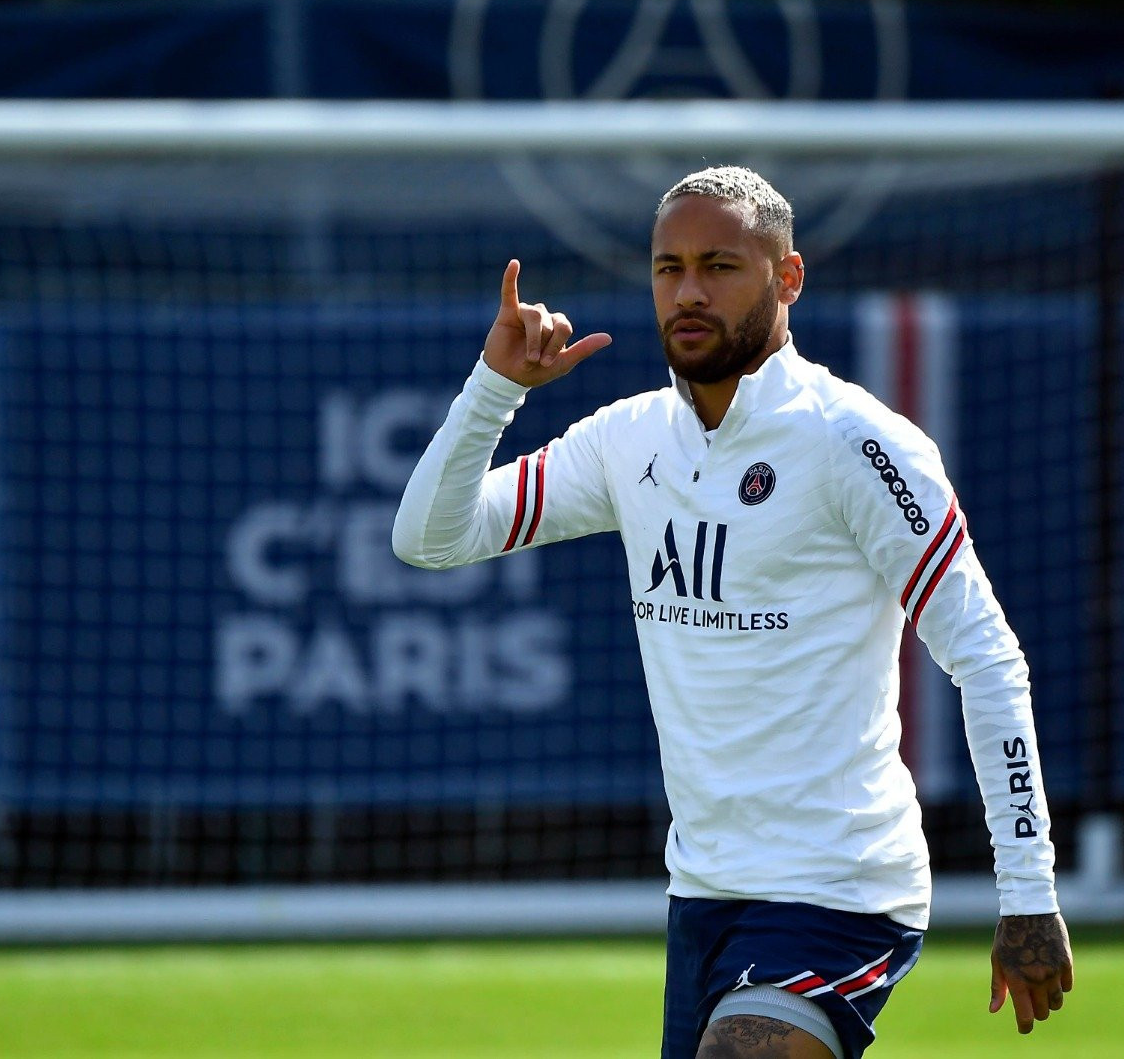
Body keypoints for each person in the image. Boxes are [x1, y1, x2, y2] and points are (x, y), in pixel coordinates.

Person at [391, 166, 1073, 1059]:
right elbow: (430, 538)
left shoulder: (856, 443)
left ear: (786, 279)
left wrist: (1027, 890)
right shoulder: (628, 438)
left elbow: (986, 656)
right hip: (705, 887)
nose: (690, 291)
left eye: (721, 265)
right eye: (668, 268)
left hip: (843, 886)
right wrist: (493, 388)